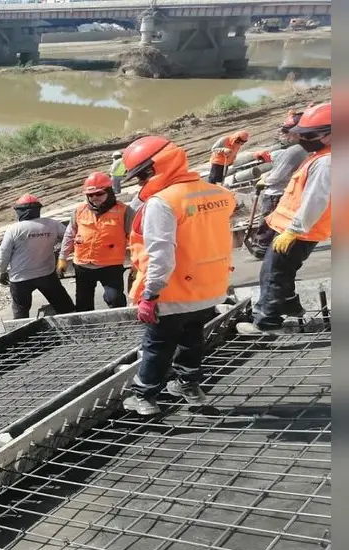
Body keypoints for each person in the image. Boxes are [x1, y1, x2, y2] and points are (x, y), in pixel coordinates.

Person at [119, 135, 236, 416]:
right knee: (192, 338)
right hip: (210, 289)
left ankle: (144, 397)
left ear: (155, 168)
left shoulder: (163, 202)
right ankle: (188, 385)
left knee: (158, 345)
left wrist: (150, 294)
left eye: (140, 177)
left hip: (174, 292)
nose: (139, 184)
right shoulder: (217, 193)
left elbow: (161, 256)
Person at [239, 101, 331, 335]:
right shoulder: (321, 155)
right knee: (281, 270)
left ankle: (267, 323)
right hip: (294, 228)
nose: (303, 139)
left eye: (309, 135)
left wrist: (294, 231)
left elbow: (315, 200)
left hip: (299, 231)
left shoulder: (326, 162)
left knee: (273, 273)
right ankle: (290, 304)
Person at [58, 172, 132, 312]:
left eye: (99, 194)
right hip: (83, 265)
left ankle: (119, 322)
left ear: (109, 192)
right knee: (83, 304)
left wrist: (137, 262)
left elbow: (134, 238)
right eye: (90, 195)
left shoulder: (124, 211)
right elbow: (69, 235)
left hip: (111, 266)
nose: (94, 197)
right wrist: (62, 258)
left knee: (115, 299)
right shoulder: (79, 211)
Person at [0, 194, 75, 319]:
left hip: (20, 278)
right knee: (65, 306)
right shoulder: (52, 224)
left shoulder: (13, 229)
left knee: (21, 311)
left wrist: (2, 271)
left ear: (19, 211)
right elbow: (69, 240)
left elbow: (4, 252)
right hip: (47, 275)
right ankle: (74, 324)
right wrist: (61, 255)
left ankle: (22, 330)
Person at [247, 109, 309, 259]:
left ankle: (262, 247)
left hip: (277, 192)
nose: (285, 135)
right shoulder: (303, 149)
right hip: (291, 190)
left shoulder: (294, 151)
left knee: (269, 220)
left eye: (287, 132)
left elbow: (277, 176)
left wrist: (264, 180)